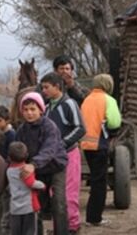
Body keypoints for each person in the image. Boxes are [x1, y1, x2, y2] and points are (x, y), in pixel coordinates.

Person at [16, 92, 69, 235]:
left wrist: (33, 164)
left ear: (40, 109)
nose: (29, 113)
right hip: (37, 171)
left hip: (55, 167)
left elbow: (49, 149)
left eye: (33, 109)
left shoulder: (49, 126)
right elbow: (18, 149)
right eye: (26, 110)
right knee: (36, 204)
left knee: (59, 203)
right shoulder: (22, 130)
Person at [40, 72, 86, 234]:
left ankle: (72, 225)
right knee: (55, 193)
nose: (43, 90)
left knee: (69, 191)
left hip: (69, 154)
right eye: (42, 87)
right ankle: (60, 226)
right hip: (52, 157)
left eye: (46, 87)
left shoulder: (69, 104)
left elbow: (80, 128)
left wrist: (63, 143)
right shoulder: (46, 107)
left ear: (57, 87)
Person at [80, 74, 122, 226]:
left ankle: (92, 215)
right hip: (100, 144)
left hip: (86, 145)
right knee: (99, 182)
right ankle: (94, 217)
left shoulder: (87, 99)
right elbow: (114, 122)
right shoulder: (108, 100)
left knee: (94, 179)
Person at [7, 142, 45, 235]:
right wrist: (42, 185)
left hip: (15, 207)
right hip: (29, 207)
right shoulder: (26, 170)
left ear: (9, 157)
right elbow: (31, 183)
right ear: (26, 155)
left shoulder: (9, 170)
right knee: (30, 230)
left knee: (16, 231)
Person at [0, 105, 16, 235]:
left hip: (8, 172)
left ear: (7, 120)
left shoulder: (11, 135)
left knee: (7, 202)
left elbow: (10, 156)